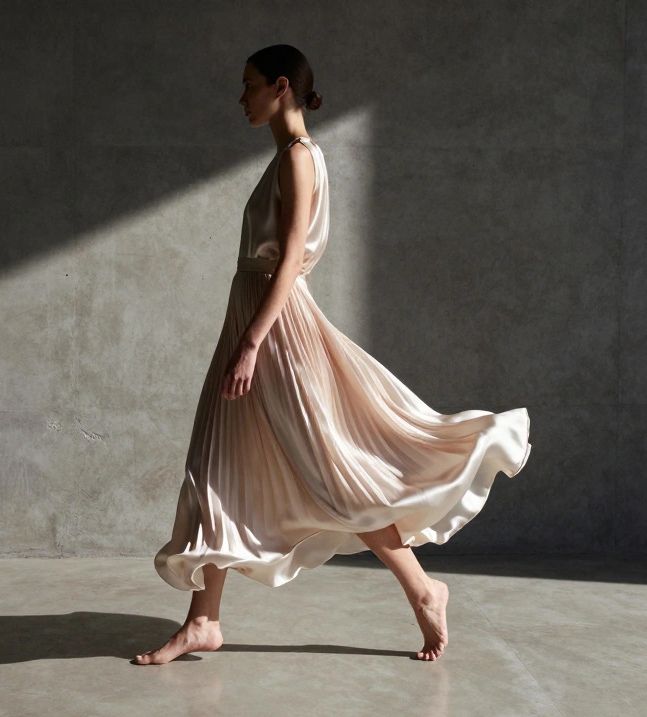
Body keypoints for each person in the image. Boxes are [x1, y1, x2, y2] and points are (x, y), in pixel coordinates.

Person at [133, 45, 532, 665]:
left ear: (281, 87)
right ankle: (203, 621)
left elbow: (290, 259)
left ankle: (424, 590)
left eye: (249, 85)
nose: (241, 98)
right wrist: (244, 336)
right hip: (252, 321)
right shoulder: (285, 157)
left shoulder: (299, 157)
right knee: (215, 464)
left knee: (330, 471)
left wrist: (252, 343)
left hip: (275, 331)